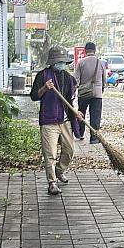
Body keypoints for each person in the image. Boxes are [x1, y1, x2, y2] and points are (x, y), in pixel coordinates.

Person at [31, 46, 80, 195]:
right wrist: (44, 88)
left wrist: (76, 112)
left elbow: (71, 100)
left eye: (64, 62)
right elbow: (34, 96)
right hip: (49, 121)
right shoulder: (42, 75)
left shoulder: (69, 78)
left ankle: (60, 171)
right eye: (59, 61)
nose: (61, 64)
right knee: (50, 153)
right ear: (52, 62)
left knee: (69, 150)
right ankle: (52, 182)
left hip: (64, 120)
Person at [73, 42, 105, 144]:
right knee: (95, 116)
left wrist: (74, 91)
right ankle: (94, 138)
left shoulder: (81, 63)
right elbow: (104, 79)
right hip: (97, 93)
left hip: (83, 93)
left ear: (85, 50)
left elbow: (76, 80)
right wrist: (102, 88)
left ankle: (80, 133)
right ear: (95, 50)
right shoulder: (100, 63)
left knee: (81, 113)